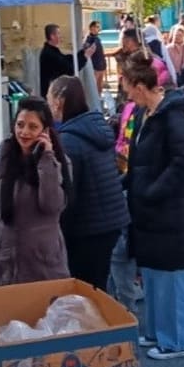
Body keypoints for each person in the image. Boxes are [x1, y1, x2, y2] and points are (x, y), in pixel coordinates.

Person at [121, 53, 184, 360]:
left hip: (171, 210)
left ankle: (178, 341)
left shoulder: (171, 116)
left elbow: (183, 163)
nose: (127, 94)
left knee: (173, 277)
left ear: (141, 86)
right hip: (154, 209)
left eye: (128, 86)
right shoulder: (147, 114)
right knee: (156, 273)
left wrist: (152, 191)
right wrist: (131, 185)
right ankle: (157, 332)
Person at [0, 97, 71, 287]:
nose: (24, 132)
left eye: (33, 127)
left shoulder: (58, 162)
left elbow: (52, 205)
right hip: (2, 262)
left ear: (45, 131)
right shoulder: (1, 156)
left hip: (43, 265)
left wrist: (47, 159)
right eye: (20, 125)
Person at [47, 77, 130, 291]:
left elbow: (69, 192)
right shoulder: (94, 127)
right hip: (109, 219)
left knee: (86, 288)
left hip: (88, 225)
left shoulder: (69, 139)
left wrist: (60, 230)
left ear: (59, 101)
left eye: (49, 97)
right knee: (99, 283)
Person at [39, 24, 95, 97]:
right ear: (52, 36)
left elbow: (67, 59)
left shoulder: (52, 51)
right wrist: (85, 56)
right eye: (58, 33)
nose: (60, 36)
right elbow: (70, 69)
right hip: (53, 95)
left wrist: (82, 52)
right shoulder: (49, 54)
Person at [84, 21, 108, 94]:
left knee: (99, 86)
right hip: (95, 67)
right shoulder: (89, 39)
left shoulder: (96, 38)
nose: (99, 29)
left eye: (99, 27)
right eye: (97, 27)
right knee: (94, 87)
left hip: (101, 66)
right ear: (92, 28)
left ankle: (99, 100)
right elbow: (87, 52)